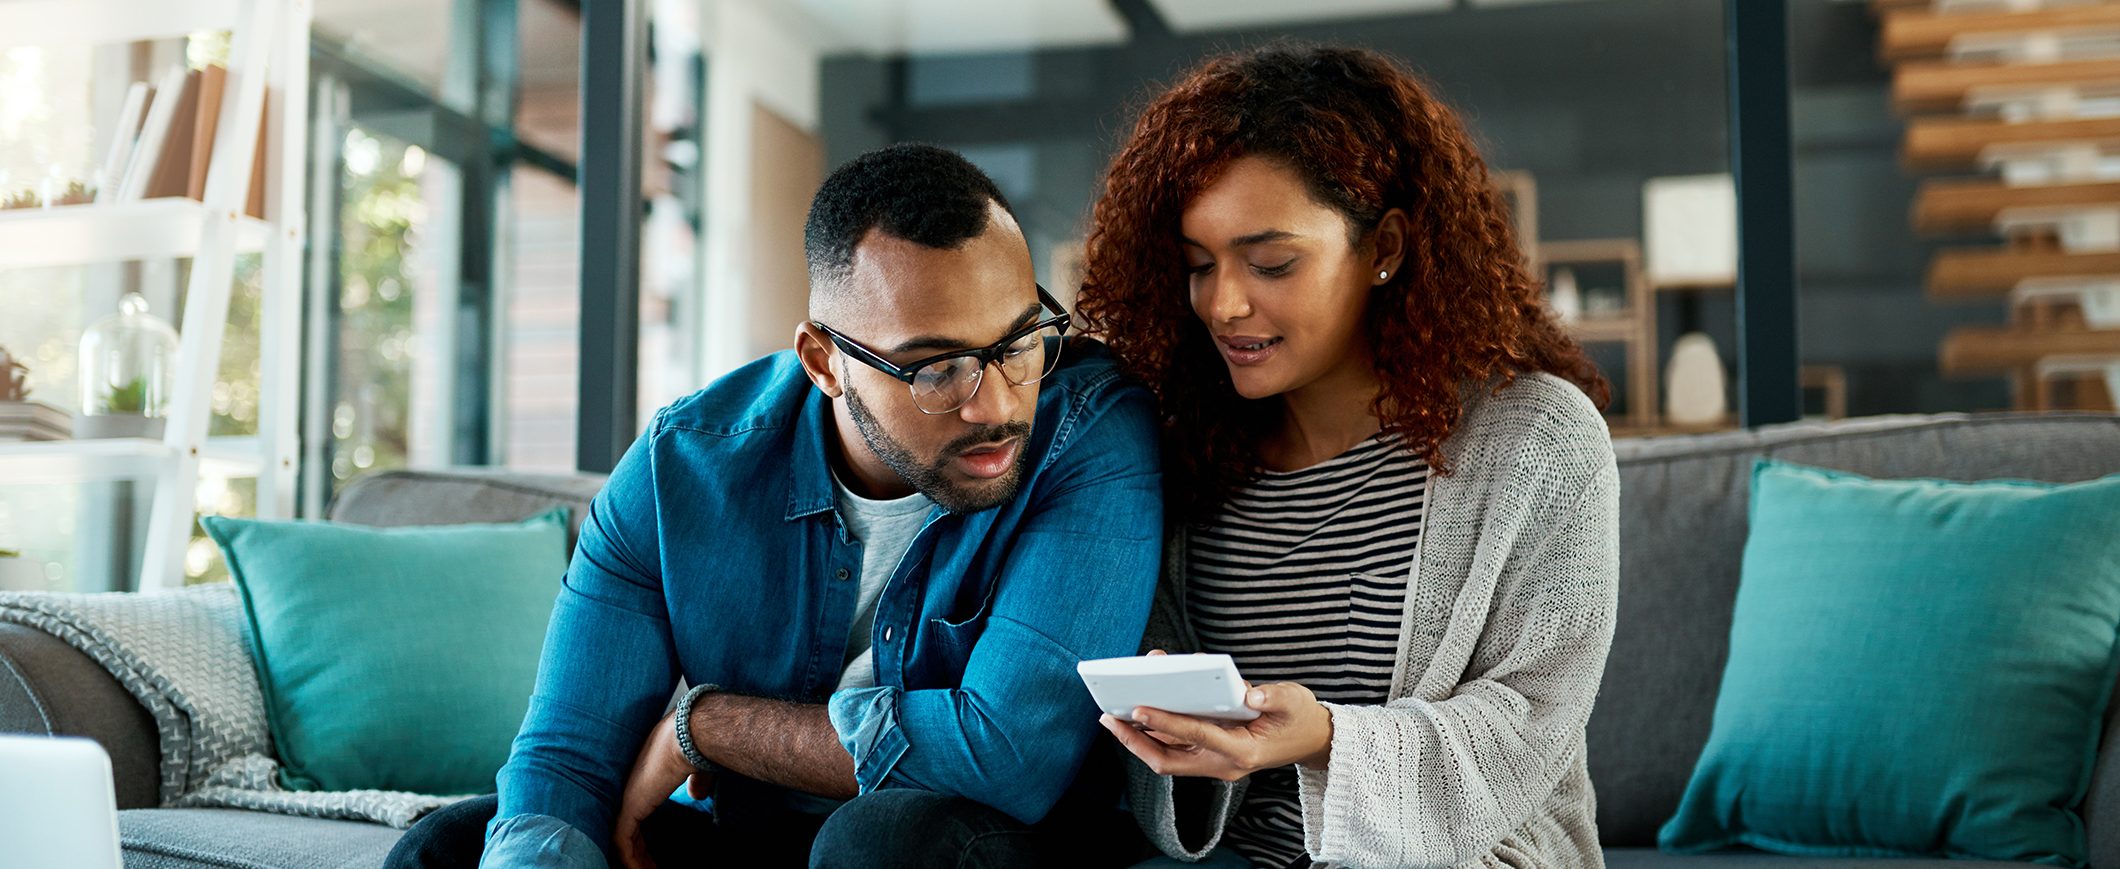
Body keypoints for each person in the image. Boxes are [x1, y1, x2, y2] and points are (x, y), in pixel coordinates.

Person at [386, 143, 1162, 868]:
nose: (994, 403)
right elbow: (567, 752)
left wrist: (711, 725)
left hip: (978, 838)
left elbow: (1008, 755)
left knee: (881, 839)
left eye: (1019, 342)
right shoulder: (682, 466)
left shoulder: (1090, 436)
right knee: (456, 844)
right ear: (825, 362)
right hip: (762, 835)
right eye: (935, 368)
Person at [1074, 44, 1621, 869]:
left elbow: (1530, 718)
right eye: (1198, 266)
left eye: (1271, 262)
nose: (1224, 303)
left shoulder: (1537, 441)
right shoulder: (1184, 451)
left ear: (1385, 247)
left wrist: (1328, 737)